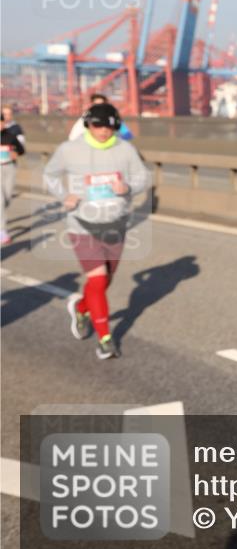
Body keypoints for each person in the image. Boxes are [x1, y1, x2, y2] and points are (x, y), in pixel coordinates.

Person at [43, 102, 148, 359]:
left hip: (115, 223)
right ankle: (105, 340)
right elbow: (50, 175)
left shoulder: (125, 149)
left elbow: (144, 177)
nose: (103, 130)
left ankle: (80, 308)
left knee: (104, 281)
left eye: (109, 126)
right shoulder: (70, 149)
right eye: (98, 124)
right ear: (88, 124)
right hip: (83, 224)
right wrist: (64, 195)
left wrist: (128, 188)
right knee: (99, 279)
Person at [1, 106, 27, 245]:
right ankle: (2, 231)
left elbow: (22, 149)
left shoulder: (11, 135)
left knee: (7, 198)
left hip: (9, 167)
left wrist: (16, 153)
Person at [68, 94, 134, 141]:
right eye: (96, 105)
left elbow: (127, 135)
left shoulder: (114, 119)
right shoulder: (84, 119)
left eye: (101, 104)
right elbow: (73, 137)